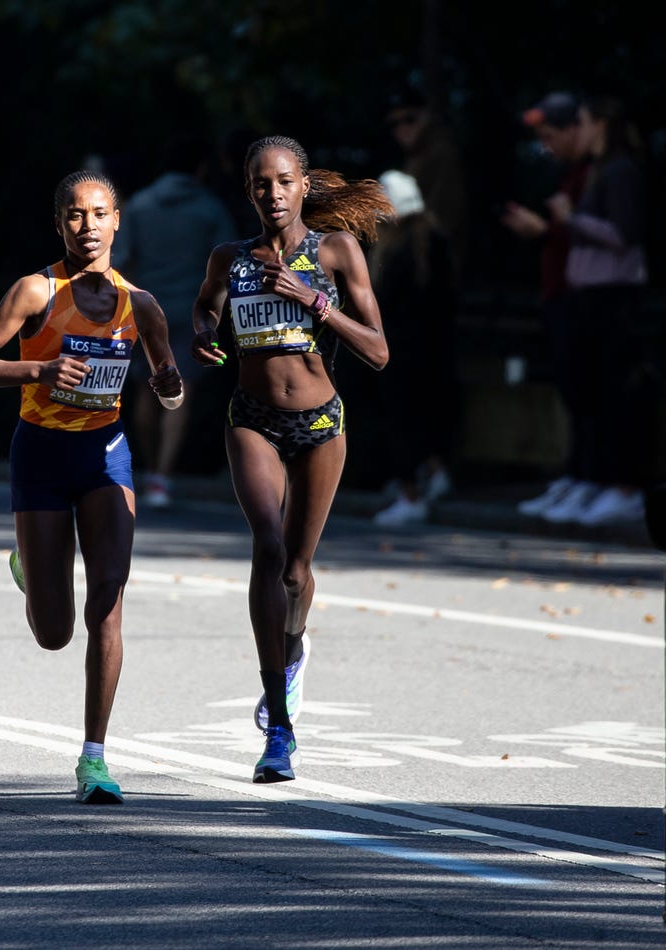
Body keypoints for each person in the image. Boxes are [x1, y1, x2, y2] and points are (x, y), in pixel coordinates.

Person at [0, 170, 183, 804]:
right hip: (42, 454)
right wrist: (40, 368)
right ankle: (30, 563)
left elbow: (168, 379)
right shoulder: (36, 291)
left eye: (99, 214)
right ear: (60, 224)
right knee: (54, 630)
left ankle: (95, 759)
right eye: (75, 215)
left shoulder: (145, 305)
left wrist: (168, 385)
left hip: (105, 454)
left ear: (117, 222)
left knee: (107, 599)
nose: (88, 226)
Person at [190, 135, 390, 783]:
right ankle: (280, 730)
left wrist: (314, 302)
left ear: (304, 185)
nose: (271, 194)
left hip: (321, 425)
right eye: (259, 184)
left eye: (282, 182)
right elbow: (205, 308)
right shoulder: (231, 257)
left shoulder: (336, 251)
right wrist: (202, 336)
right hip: (253, 422)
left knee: (298, 573)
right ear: (247, 191)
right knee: (268, 550)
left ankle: (294, 645)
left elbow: (379, 351)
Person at [111, 131, 237, 507]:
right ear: (200, 167)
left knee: (144, 390)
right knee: (181, 391)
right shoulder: (211, 208)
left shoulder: (140, 205)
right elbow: (229, 263)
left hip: (143, 308)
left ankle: (149, 468)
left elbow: (121, 258)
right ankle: (161, 478)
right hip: (191, 312)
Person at [542, 94, 650, 526]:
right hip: (590, 294)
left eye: (582, 121)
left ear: (600, 124)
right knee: (592, 392)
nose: (578, 130)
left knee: (615, 392)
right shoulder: (601, 170)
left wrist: (570, 219)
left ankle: (624, 485)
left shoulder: (621, 171)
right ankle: (598, 479)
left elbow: (626, 235)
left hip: (614, 293)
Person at [499, 92, 595, 522]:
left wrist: (546, 231)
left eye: (551, 134)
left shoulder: (596, 174)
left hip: (586, 294)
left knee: (591, 392)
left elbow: (599, 239)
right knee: (574, 391)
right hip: (562, 292)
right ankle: (580, 476)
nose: (545, 145)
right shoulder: (570, 173)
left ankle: (596, 479)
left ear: (580, 127)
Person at [369, 170, 460, 526]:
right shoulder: (436, 240)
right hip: (436, 346)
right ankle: (434, 473)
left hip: (399, 349)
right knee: (432, 414)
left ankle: (411, 494)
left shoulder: (394, 250)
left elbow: (383, 302)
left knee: (403, 420)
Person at [384, 84, 469, 284]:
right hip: (418, 261)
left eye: (409, 119)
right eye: (394, 124)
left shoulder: (442, 154)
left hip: (434, 266)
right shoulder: (414, 158)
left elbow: (444, 217)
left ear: (426, 117)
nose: (402, 128)